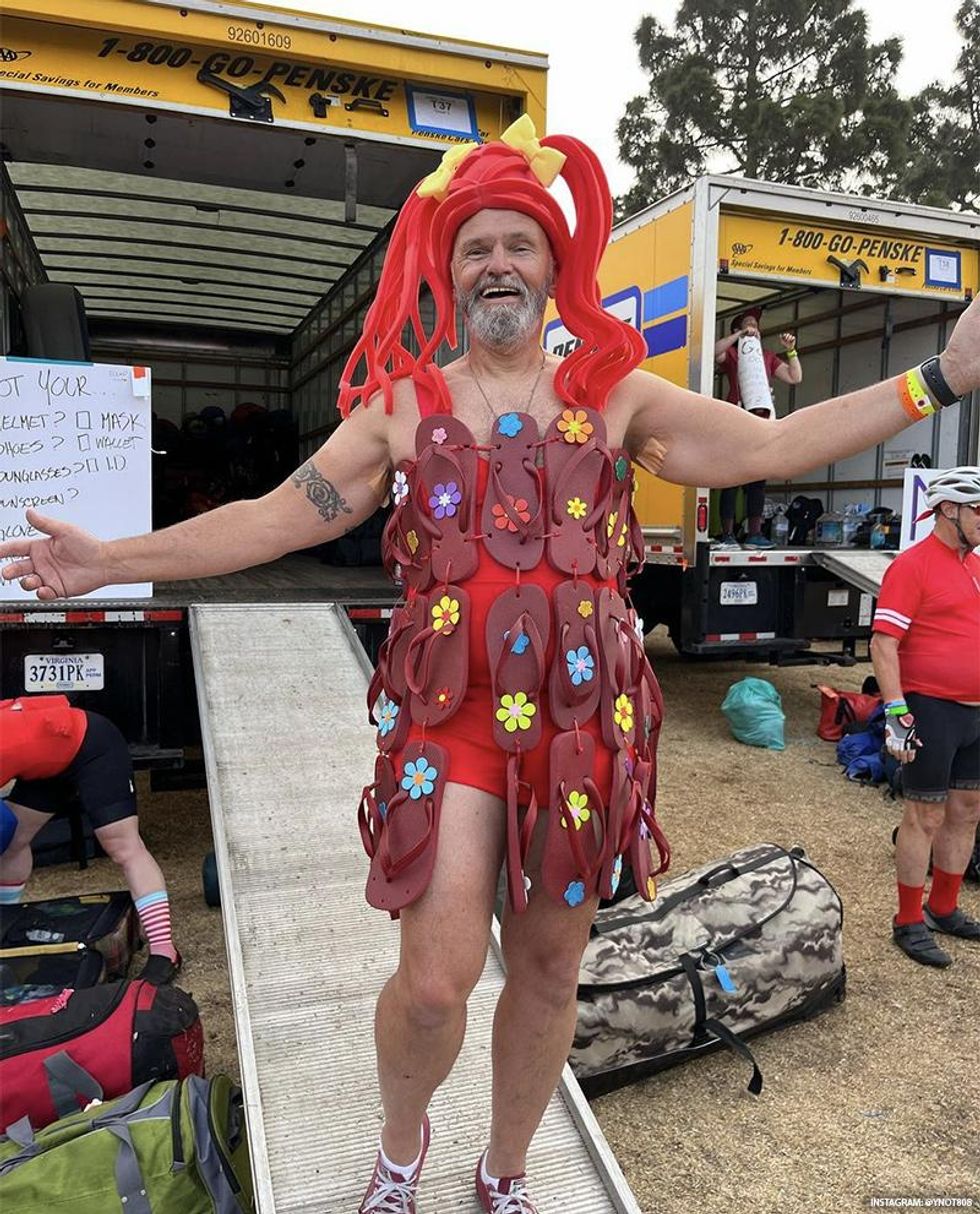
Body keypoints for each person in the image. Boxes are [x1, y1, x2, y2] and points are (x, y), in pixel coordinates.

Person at [1, 116, 977, 1212]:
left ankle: (503, 1169)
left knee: (551, 970)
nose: (498, 262)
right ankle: (400, 1151)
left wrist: (938, 379)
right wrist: (111, 561)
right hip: (446, 727)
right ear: (446, 269)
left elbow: (769, 446)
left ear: (555, 267)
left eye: (520, 243)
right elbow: (274, 517)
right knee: (433, 982)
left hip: (582, 730)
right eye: (476, 247)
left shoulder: (616, 395)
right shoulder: (401, 406)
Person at [870, 467, 980, 969]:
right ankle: (909, 919)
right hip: (931, 708)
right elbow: (883, 643)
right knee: (925, 815)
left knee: (967, 810)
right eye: (978, 510)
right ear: (948, 509)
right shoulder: (912, 566)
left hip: (975, 712)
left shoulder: (974, 564)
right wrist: (896, 711)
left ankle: (944, 908)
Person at [0, 694, 182, 984]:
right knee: (13, 842)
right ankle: (4, 924)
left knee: (123, 846)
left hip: (93, 748)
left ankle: (164, 951)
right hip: (47, 763)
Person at [713, 307, 803, 549]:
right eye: (748, 323)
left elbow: (794, 377)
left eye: (755, 324)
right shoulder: (733, 354)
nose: (754, 327)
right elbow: (715, 352)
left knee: (757, 480)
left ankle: (754, 533)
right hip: (736, 419)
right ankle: (727, 534)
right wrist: (739, 335)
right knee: (731, 479)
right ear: (738, 329)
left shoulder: (768, 357)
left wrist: (791, 350)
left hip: (761, 420)